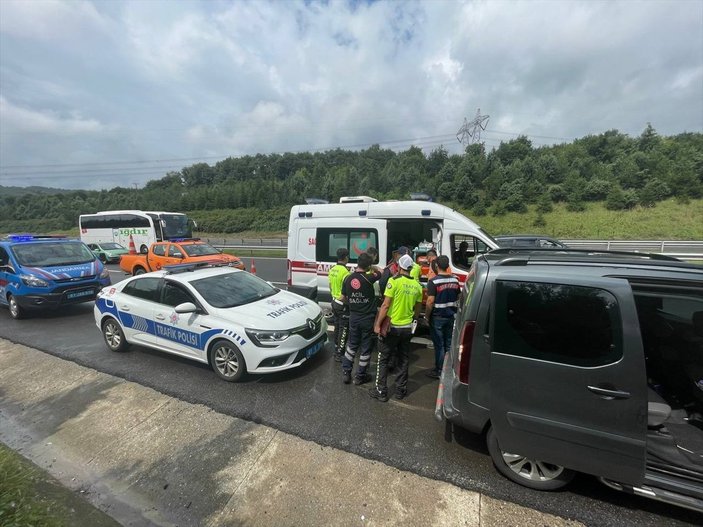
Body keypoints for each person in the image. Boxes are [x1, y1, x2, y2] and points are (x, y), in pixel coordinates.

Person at [369, 254, 423, 402]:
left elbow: (385, 305)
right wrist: (414, 320)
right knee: (403, 359)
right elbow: (417, 309)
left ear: (399, 267)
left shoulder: (394, 281)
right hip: (407, 328)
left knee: (383, 358)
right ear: (411, 268)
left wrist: (378, 325)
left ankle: (381, 391)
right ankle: (400, 390)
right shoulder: (418, 286)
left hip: (392, 327)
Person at [339, 252, 381, 385]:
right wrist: (372, 267)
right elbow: (381, 271)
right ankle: (360, 376)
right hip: (367, 318)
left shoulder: (348, 278)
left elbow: (343, 298)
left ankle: (346, 373)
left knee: (351, 345)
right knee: (365, 348)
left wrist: (353, 302)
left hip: (354, 316)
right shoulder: (369, 278)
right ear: (368, 265)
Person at [425, 255, 461, 379]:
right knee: (448, 344)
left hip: (438, 317)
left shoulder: (433, 282)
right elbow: (458, 297)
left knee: (439, 345)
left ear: (436, 266)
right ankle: (448, 368)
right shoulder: (455, 280)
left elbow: (430, 302)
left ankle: (440, 370)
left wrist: (426, 316)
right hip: (451, 316)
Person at [329, 247, 350, 362]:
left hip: (333, 301)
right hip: (342, 304)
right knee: (344, 329)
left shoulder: (332, 269)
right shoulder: (346, 273)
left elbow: (330, 286)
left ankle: (336, 348)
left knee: (337, 326)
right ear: (346, 257)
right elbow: (346, 293)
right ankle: (340, 353)